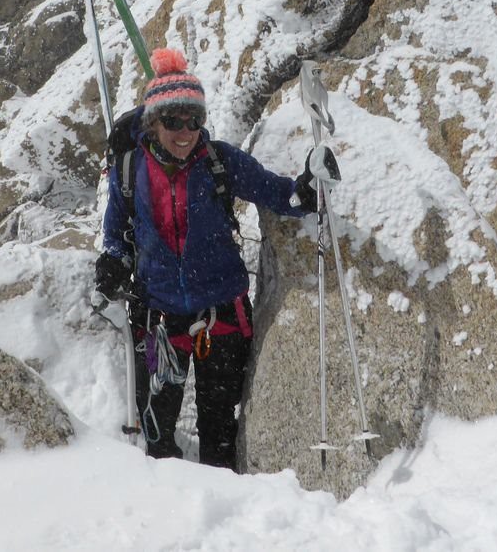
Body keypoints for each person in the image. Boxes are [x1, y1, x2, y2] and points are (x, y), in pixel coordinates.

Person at [94, 47, 330, 471]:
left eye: (194, 120)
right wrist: (112, 262)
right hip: (159, 324)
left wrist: (308, 190)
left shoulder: (220, 161)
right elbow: (116, 235)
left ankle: (224, 523)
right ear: (152, 122)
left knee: (219, 431)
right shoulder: (130, 171)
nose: (185, 132)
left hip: (222, 317)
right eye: (173, 121)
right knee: (157, 433)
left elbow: (279, 193)